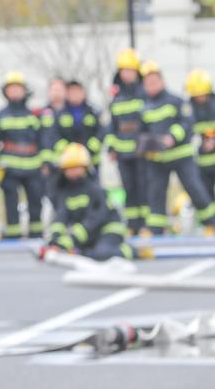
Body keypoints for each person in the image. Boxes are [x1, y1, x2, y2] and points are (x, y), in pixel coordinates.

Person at [138, 61, 215, 236]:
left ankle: (211, 224)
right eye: (148, 83)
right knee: (156, 195)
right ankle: (156, 230)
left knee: (196, 189)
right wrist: (146, 144)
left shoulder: (176, 101)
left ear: (162, 81)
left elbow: (186, 123)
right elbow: (141, 132)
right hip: (157, 160)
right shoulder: (144, 107)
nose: (152, 86)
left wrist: (172, 137)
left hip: (182, 157)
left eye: (155, 81)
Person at [45, 143, 151, 260]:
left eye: (76, 167)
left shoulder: (94, 189)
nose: (73, 171)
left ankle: (133, 251)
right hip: (89, 234)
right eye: (69, 168)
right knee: (83, 253)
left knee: (101, 254)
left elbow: (94, 220)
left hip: (109, 228)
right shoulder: (63, 191)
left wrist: (70, 240)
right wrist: (54, 241)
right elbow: (60, 217)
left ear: (85, 167)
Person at [0, 72, 49, 239]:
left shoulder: (34, 116)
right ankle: (13, 235)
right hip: (10, 168)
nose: (15, 92)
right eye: (11, 88)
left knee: (36, 201)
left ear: (24, 91)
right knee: (11, 201)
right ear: (6, 92)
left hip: (32, 166)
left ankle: (36, 233)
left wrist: (44, 162)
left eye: (18, 88)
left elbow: (42, 141)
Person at [105, 48, 147, 232]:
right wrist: (112, 148)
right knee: (128, 188)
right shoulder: (117, 97)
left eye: (129, 70)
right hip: (123, 152)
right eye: (123, 70)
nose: (126, 74)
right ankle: (132, 225)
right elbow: (113, 125)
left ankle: (145, 224)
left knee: (143, 187)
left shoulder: (144, 92)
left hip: (141, 149)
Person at [185, 68, 215, 196]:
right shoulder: (187, 109)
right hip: (199, 162)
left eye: (202, 94)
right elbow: (187, 132)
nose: (200, 98)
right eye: (196, 95)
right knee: (205, 196)